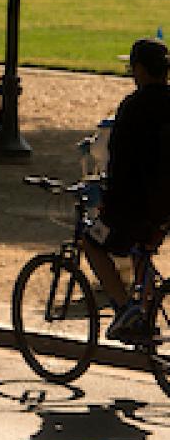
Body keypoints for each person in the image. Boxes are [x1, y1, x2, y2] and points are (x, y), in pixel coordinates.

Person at [83, 38, 170, 342]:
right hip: (165, 206)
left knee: (92, 243)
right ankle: (146, 316)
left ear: (141, 70)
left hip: (134, 204)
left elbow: (119, 162)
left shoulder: (134, 107)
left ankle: (124, 309)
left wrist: (107, 200)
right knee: (142, 250)